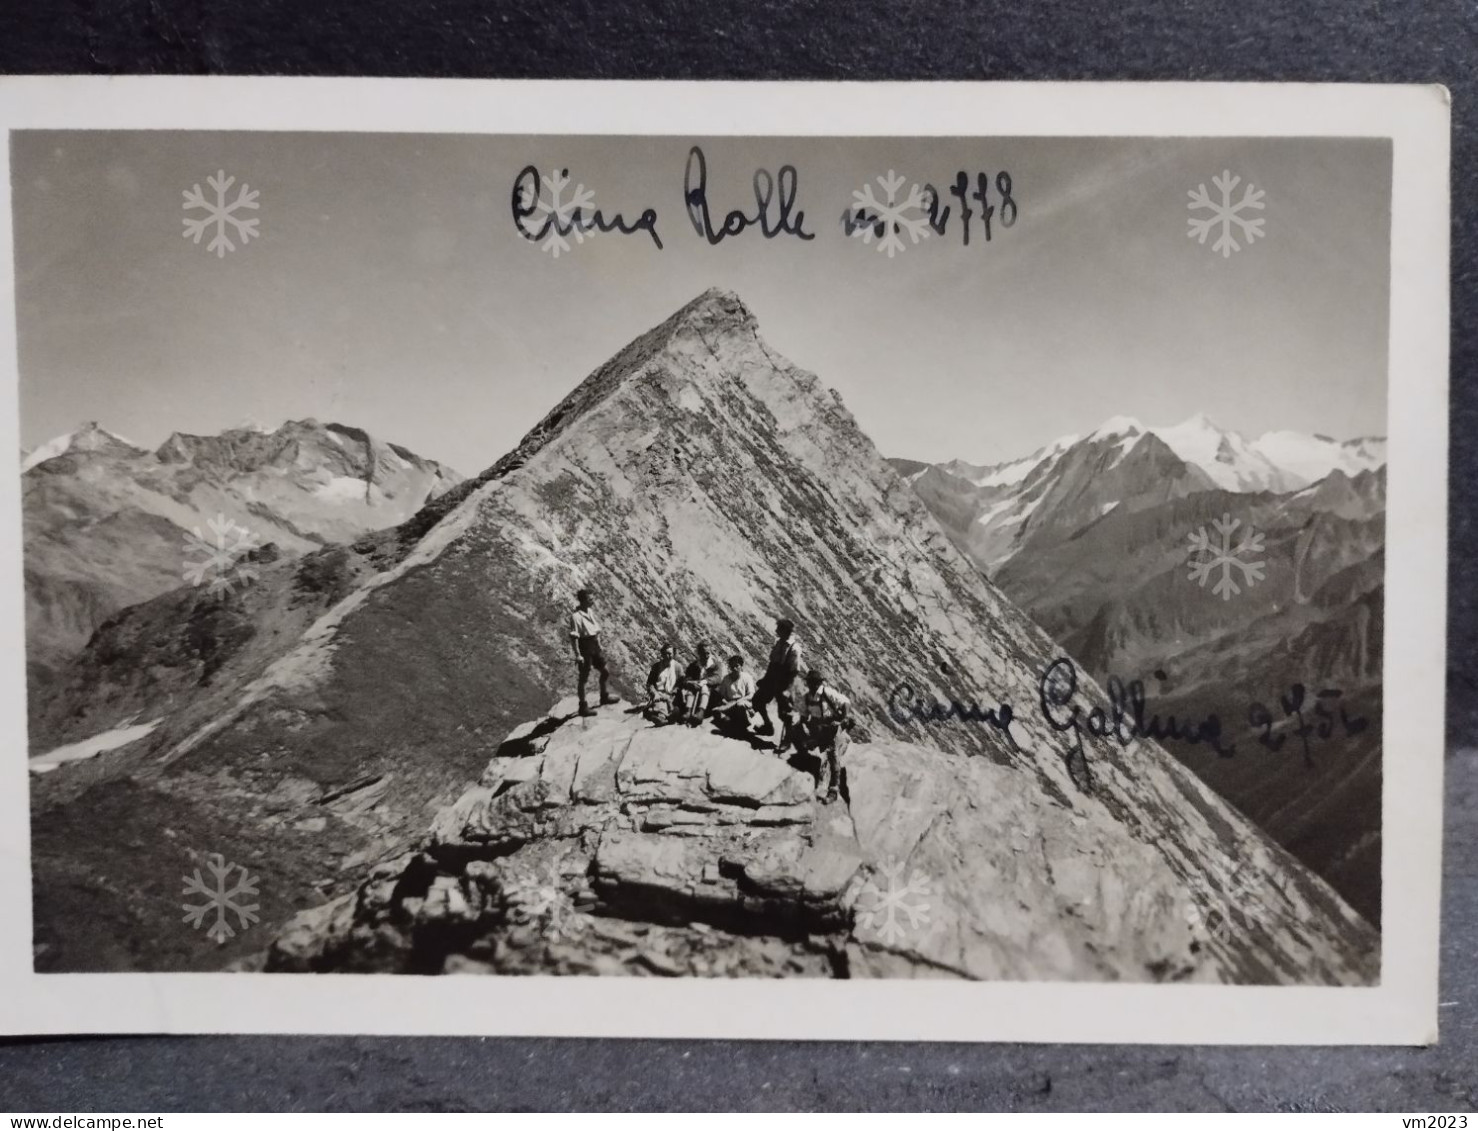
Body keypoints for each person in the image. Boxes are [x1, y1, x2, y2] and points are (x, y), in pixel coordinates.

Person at [791, 669, 852, 803]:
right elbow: (804, 715)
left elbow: (845, 702)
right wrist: (799, 725)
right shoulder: (808, 697)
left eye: (813, 682)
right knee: (818, 756)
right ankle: (814, 782)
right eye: (810, 682)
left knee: (833, 758)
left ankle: (833, 791)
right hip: (818, 730)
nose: (811, 685)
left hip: (832, 728)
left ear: (818, 683)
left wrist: (842, 719)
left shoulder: (827, 692)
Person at [752, 617, 802, 754]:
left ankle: (787, 741)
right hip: (772, 679)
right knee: (757, 701)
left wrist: (788, 689)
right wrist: (765, 679)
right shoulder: (779, 643)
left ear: (785, 631)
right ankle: (768, 726)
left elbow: (794, 671)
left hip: (784, 683)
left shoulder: (794, 648)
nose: (776, 631)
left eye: (778, 629)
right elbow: (772, 663)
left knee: (785, 714)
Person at [569, 588, 618, 718]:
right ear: (583, 600)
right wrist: (578, 655)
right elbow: (574, 638)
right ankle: (583, 706)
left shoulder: (589, 611)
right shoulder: (576, 617)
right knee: (583, 679)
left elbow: (596, 630)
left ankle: (604, 696)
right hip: (585, 647)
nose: (593, 601)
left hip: (594, 645)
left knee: (605, 671)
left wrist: (599, 643)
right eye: (590, 599)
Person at [675, 641, 722, 728]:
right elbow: (687, 678)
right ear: (699, 653)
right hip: (695, 691)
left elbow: (718, 678)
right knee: (690, 688)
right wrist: (692, 683)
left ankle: (701, 711)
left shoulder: (716, 665)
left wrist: (705, 681)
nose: (706, 655)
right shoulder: (694, 665)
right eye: (703, 653)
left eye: (708, 653)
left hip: (711, 695)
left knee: (705, 687)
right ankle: (688, 711)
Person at [708, 654, 757, 737]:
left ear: (741, 666)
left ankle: (744, 723)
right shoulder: (726, 679)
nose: (734, 668)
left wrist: (737, 701)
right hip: (729, 704)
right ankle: (734, 723)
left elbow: (751, 695)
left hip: (744, 703)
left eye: (737, 666)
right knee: (716, 711)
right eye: (732, 666)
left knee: (740, 705)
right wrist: (726, 703)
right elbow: (722, 696)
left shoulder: (747, 677)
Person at [644, 643, 683, 725]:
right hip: (659, 693)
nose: (668, 656)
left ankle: (662, 717)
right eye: (666, 654)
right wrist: (654, 693)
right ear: (662, 654)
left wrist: (675, 692)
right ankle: (662, 717)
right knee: (660, 701)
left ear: (673, 654)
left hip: (672, 694)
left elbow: (682, 682)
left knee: (670, 703)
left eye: (670, 654)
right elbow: (649, 683)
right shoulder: (656, 667)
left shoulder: (678, 667)